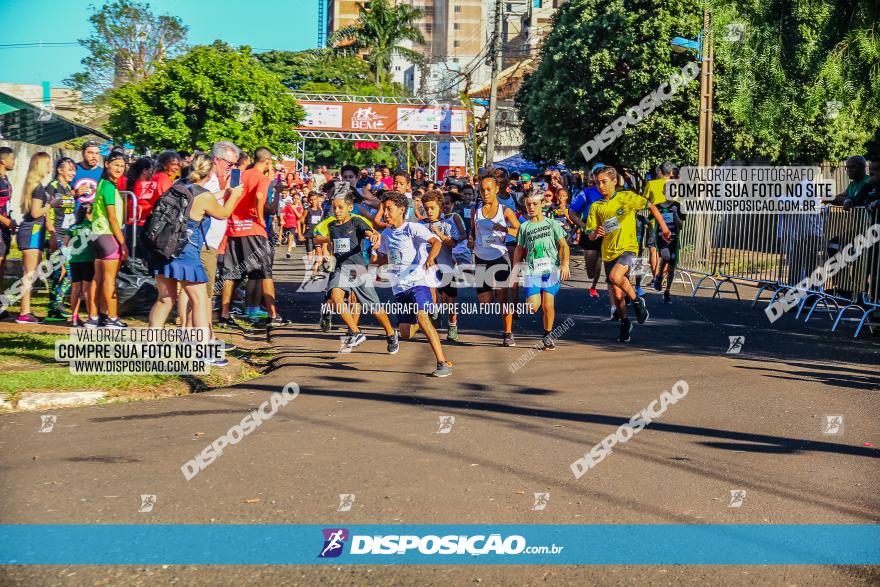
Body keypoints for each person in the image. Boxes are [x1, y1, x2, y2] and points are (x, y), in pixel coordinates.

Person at [148, 154, 244, 366]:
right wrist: (235, 195)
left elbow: (199, 200)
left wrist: (223, 192)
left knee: (165, 298)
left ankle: (151, 348)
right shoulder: (205, 197)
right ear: (209, 173)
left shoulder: (179, 185)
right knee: (199, 300)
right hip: (186, 253)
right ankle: (204, 352)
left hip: (164, 249)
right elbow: (223, 213)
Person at [585, 166, 671, 342]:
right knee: (617, 294)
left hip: (628, 248)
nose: (600, 186)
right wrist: (595, 233)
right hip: (609, 252)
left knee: (617, 277)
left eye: (604, 182)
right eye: (597, 183)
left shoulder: (627, 197)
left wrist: (664, 228)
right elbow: (591, 233)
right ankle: (625, 323)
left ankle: (637, 301)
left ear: (614, 181)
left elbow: (651, 206)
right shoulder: (596, 206)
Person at [376, 191, 453, 377]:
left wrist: (430, 259)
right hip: (399, 288)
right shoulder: (386, 234)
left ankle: (443, 363)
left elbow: (436, 242)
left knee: (423, 318)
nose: (385, 213)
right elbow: (384, 256)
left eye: (389, 209)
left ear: (402, 210)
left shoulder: (412, 228)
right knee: (406, 334)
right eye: (384, 209)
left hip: (418, 282)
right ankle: (419, 319)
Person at [313, 185, 397, 352]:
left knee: (375, 308)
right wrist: (326, 241)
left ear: (350, 207)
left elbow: (369, 232)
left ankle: (390, 333)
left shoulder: (356, 221)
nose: (336, 211)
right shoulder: (331, 225)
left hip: (358, 269)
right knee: (336, 297)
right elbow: (317, 237)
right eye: (333, 207)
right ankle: (356, 332)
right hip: (340, 269)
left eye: (340, 207)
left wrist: (373, 236)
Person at [221, 147, 281, 326]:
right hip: (253, 229)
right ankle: (272, 314)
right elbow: (260, 195)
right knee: (265, 272)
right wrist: (261, 218)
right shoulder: (262, 178)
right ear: (268, 162)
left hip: (234, 228)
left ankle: (224, 315)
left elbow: (227, 196)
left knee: (231, 273)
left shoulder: (238, 175)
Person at [511, 191, 571, 350]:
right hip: (532, 271)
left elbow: (564, 245)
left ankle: (548, 335)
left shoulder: (553, 224)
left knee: (547, 304)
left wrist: (565, 264)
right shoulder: (524, 226)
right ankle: (529, 296)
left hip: (551, 269)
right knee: (532, 307)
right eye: (528, 204)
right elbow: (518, 249)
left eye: (535, 204)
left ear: (542, 205)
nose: (531, 207)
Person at [471, 176, 520, 346]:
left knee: (504, 297)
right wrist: (471, 240)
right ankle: (493, 291)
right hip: (480, 257)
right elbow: (473, 231)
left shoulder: (505, 210)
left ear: (496, 190)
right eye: (482, 189)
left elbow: (519, 231)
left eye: (489, 189)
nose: (485, 193)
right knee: (485, 301)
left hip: (499, 257)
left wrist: (504, 229)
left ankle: (508, 333)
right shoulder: (475, 210)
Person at [85, 152, 128, 328]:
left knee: (98, 278)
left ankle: (93, 317)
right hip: (108, 236)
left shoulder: (102, 184)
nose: (119, 169)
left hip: (97, 236)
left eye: (122, 166)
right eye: (116, 164)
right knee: (109, 279)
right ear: (107, 165)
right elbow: (112, 218)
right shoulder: (109, 187)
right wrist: (123, 242)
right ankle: (112, 317)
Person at [204, 141, 241, 332]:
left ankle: (198, 335)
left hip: (213, 243)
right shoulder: (207, 181)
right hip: (204, 243)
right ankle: (204, 337)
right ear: (216, 159)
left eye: (234, 165)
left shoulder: (220, 182)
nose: (232, 168)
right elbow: (221, 213)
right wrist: (232, 195)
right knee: (204, 293)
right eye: (229, 164)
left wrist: (227, 190)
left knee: (202, 292)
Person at [421, 190, 466, 341]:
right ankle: (434, 315)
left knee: (449, 299)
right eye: (426, 208)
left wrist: (438, 233)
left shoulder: (447, 223)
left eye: (432, 208)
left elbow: (452, 243)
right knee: (430, 295)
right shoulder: (420, 225)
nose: (429, 211)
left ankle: (453, 325)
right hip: (428, 268)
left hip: (446, 267)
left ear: (440, 207)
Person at [14, 152, 53, 324]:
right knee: (29, 274)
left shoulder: (33, 186)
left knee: (30, 274)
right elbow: (36, 212)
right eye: (49, 164)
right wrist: (50, 205)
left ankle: (26, 311)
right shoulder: (37, 188)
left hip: (32, 231)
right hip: (32, 232)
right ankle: (24, 312)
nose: (50, 168)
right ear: (42, 165)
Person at [45, 157, 77, 321]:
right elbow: (45, 209)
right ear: (59, 170)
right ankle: (56, 303)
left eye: (74, 170)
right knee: (70, 272)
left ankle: (53, 309)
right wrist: (51, 232)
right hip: (56, 235)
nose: (73, 172)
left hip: (66, 235)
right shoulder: (53, 187)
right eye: (69, 169)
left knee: (58, 272)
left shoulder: (67, 188)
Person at [569, 164, 606, 298]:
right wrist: (585, 227)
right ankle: (594, 281)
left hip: (609, 235)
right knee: (591, 269)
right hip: (590, 234)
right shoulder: (586, 193)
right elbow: (572, 213)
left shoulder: (615, 194)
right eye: (597, 175)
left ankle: (596, 287)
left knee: (605, 263)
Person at [642, 161, 675, 279]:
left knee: (653, 249)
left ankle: (656, 277)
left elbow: (644, 202)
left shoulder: (651, 184)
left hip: (654, 222)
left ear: (660, 172)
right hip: (671, 223)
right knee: (669, 250)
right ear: (671, 173)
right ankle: (663, 277)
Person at [65, 202, 96, 327]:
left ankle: (74, 317)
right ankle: (90, 317)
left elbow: (66, 243)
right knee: (87, 290)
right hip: (88, 260)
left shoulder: (72, 227)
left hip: (74, 261)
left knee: (75, 289)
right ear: (90, 212)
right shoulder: (91, 226)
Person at [652, 197, 685, 303]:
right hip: (661, 238)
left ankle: (667, 291)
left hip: (674, 239)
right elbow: (650, 219)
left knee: (671, 268)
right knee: (666, 256)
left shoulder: (678, 206)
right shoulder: (657, 206)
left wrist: (675, 214)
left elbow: (680, 226)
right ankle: (659, 275)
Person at [123, 156, 154, 258]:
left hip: (130, 224)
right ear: (145, 171)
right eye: (151, 170)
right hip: (140, 225)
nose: (152, 173)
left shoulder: (131, 182)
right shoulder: (146, 185)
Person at [0, 147, 16, 320]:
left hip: (5, 230)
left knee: (2, 269)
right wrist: (7, 222)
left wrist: (11, 222)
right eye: (12, 159)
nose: (14, 162)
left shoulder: (6, 179)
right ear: (3, 161)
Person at [72, 141, 103, 205]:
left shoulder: (103, 173)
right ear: (83, 153)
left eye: (97, 153)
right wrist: (75, 193)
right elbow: (58, 199)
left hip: (95, 214)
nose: (94, 156)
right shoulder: (72, 169)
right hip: (74, 214)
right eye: (90, 153)